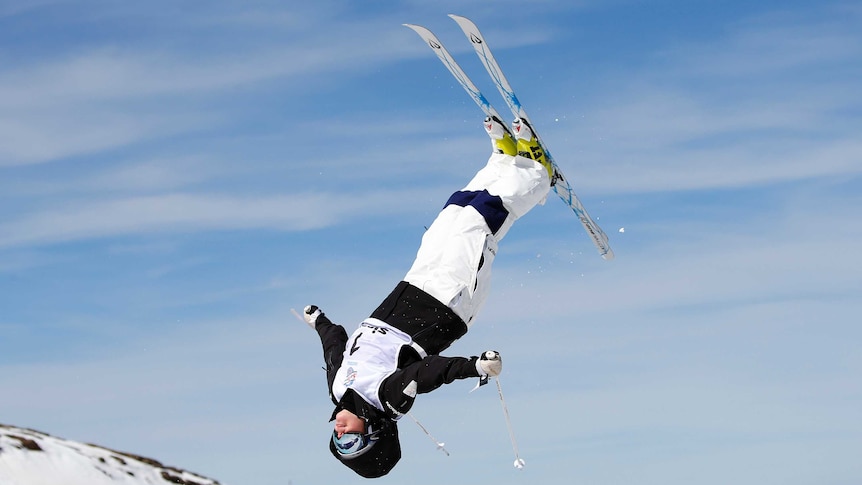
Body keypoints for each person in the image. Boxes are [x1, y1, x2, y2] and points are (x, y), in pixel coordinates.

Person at [301, 115, 554, 478]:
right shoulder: (387, 399)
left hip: (413, 289)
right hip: (448, 305)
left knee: (451, 217)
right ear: (374, 433)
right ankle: (537, 172)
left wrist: (319, 321)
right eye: (350, 442)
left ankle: (502, 161)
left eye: (337, 442)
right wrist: (475, 367)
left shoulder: (339, 391)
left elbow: (334, 348)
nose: (339, 433)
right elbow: (430, 372)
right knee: (475, 225)